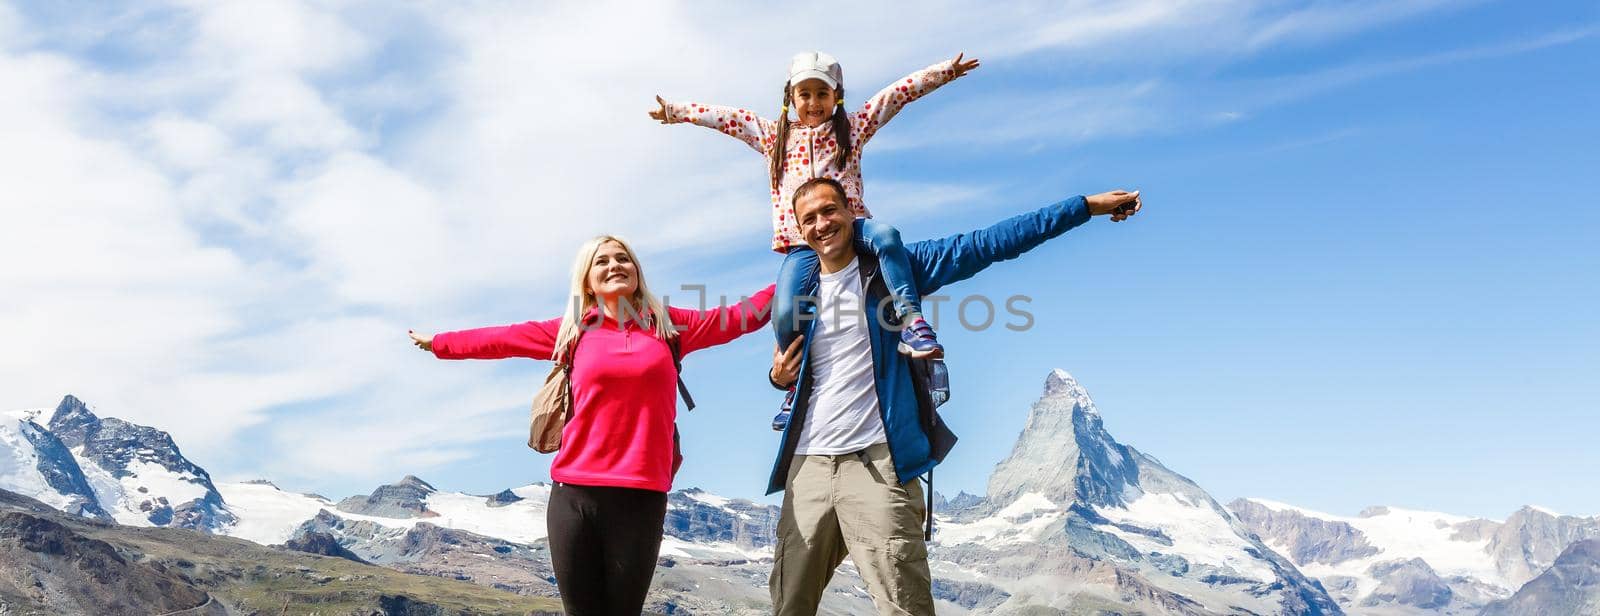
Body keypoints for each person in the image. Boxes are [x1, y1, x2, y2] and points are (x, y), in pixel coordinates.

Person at [765, 178, 1142, 615]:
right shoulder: (799, 292)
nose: (821, 224)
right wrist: (777, 376)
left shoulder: (896, 268)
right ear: (797, 229)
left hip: (880, 464)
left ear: (852, 211)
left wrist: (1085, 206)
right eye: (808, 218)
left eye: (829, 210)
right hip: (808, 464)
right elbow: (795, 368)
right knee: (789, 604)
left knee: (903, 607)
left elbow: (987, 243)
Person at [408, 235, 774, 616]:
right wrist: (441, 343)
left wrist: (800, 267)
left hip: (641, 496)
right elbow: (503, 339)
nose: (615, 265)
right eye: (602, 261)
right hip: (575, 495)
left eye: (623, 259)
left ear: (636, 271)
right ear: (588, 280)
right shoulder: (573, 330)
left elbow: (739, 317)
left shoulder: (669, 325)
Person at [651, 51, 981, 392]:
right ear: (790, 98)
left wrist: (944, 72)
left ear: (835, 96)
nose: (813, 102)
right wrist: (676, 112)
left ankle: (912, 322)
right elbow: (727, 119)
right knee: (783, 312)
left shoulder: (851, 128)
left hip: (852, 230)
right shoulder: (773, 137)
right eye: (804, 94)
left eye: (822, 93)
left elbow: (894, 97)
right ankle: (796, 387)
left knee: (886, 235)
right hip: (802, 243)